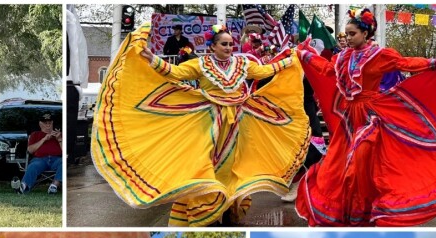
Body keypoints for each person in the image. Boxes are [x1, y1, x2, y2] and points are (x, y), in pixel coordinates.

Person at [92, 23, 309, 226]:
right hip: (207, 120)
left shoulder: (242, 64)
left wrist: (291, 59)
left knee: (230, 166)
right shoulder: (202, 64)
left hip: (236, 122)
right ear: (212, 46)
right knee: (205, 164)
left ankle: (225, 209)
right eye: (223, 44)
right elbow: (175, 73)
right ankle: (205, 210)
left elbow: (264, 72)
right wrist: (152, 59)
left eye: (231, 44)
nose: (229, 48)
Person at [294, 9, 436, 227]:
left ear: (365, 33)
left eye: (352, 34)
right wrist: (306, 55)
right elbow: (326, 70)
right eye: (346, 34)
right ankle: (355, 212)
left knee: (363, 161)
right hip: (349, 119)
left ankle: (379, 207)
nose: (348, 39)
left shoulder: (379, 55)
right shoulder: (343, 57)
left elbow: (405, 64)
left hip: (371, 116)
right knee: (339, 164)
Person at [16, 112, 62, 195]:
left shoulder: (58, 135)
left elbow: (64, 151)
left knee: (63, 163)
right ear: (40, 124)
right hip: (40, 159)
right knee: (33, 166)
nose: (48, 125)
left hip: (56, 159)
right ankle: (24, 186)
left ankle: (54, 186)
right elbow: (30, 150)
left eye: (50, 123)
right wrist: (44, 139)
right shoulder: (35, 134)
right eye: (45, 123)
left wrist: (59, 139)